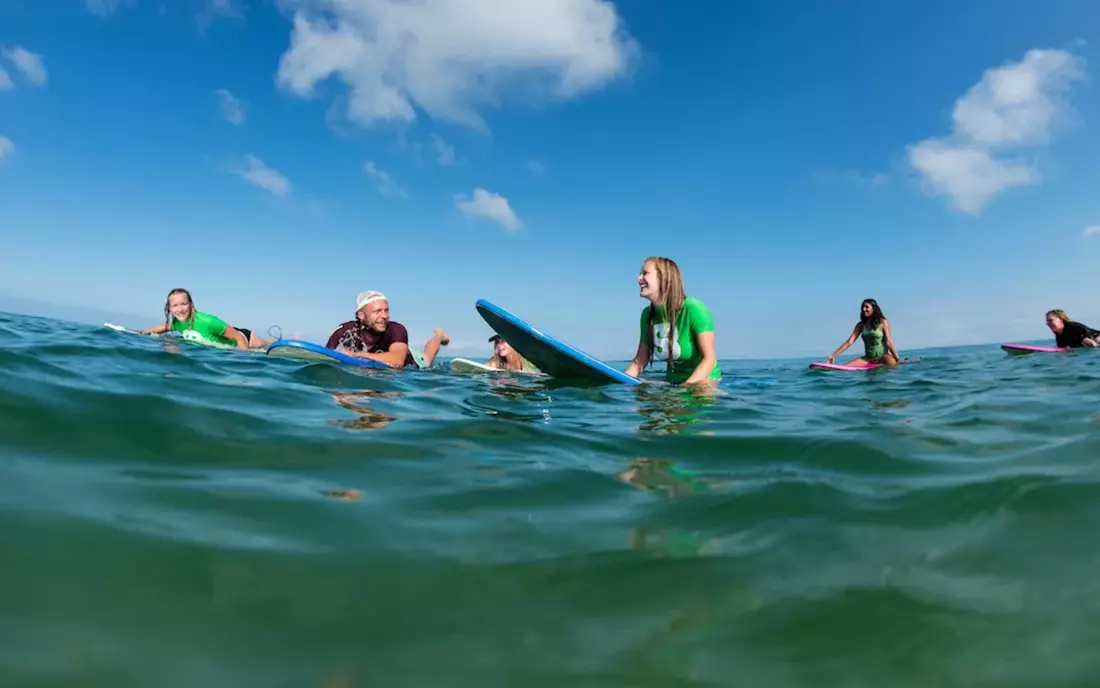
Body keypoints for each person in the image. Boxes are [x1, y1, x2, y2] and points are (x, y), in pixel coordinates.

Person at [624, 256, 721, 385]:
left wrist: (685, 388)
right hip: (673, 384)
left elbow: (709, 359)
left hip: (704, 383)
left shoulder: (693, 309)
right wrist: (621, 381)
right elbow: (641, 359)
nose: (639, 279)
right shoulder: (647, 314)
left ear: (663, 278)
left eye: (645, 273)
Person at [326, 290, 449, 369]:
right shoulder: (345, 331)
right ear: (361, 315)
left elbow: (397, 361)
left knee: (427, 357)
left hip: (413, 360)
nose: (385, 316)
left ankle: (439, 335)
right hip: (384, 353)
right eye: (378, 311)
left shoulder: (397, 329)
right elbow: (325, 356)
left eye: (386, 310)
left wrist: (357, 355)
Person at [140, 287, 271, 350]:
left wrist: (243, 359)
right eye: (175, 305)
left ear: (191, 304)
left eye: (184, 304)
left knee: (263, 345)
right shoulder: (178, 322)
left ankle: (280, 341)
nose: (180, 309)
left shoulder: (207, 321)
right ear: (169, 308)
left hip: (244, 337)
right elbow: (165, 327)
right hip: (224, 339)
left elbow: (237, 337)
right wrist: (144, 332)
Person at [826, 298, 900, 366]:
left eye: (866, 307)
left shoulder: (883, 322)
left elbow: (888, 341)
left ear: (873, 308)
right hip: (868, 358)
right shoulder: (860, 325)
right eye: (862, 308)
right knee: (845, 367)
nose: (864, 309)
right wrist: (833, 355)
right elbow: (849, 342)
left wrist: (897, 358)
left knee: (893, 365)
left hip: (883, 356)